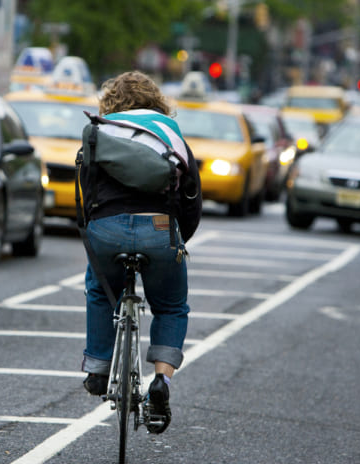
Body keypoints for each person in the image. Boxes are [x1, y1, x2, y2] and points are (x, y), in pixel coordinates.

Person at [79, 71, 202, 434]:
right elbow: (191, 196)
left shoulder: (101, 128)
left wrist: (95, 232)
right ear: (156, 100)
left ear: (111, 100)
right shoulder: (169, 131)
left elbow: (85, 192)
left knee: (99, 289)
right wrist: (179, 240)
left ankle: (98, 368)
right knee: (171, 306)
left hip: (106, 229)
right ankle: (161, 380)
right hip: (159, 229)